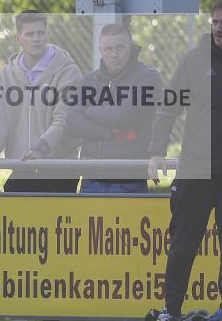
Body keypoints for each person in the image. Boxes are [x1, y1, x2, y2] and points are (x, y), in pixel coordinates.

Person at [145, 0, 222, 321]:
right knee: (183, 243)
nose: (218, 28)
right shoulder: (193, 60)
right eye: (214, 22)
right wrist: (157, 150)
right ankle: (171, 311)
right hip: (195, 167)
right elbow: (167, 107)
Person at [0, 11, 82, 194]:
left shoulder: (68, 72)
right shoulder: (7, 74)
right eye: (29, 34)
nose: (36, 39)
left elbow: (64, 119)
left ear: (47, 34)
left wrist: (41, 149)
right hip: (22, 168)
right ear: (18, 38)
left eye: (41, 33)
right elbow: (1, 118)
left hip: (60, 170)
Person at [66, 23, 162, 194]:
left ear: (130, 46)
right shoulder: (90, 80)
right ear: (100, 49)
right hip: (91, 178)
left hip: (128, 178)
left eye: (120, 47)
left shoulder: (148, 77)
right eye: (108, 49)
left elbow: (123, 115)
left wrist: (89, 109)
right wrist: (109, 134)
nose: (114, 54)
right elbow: (72, 122)